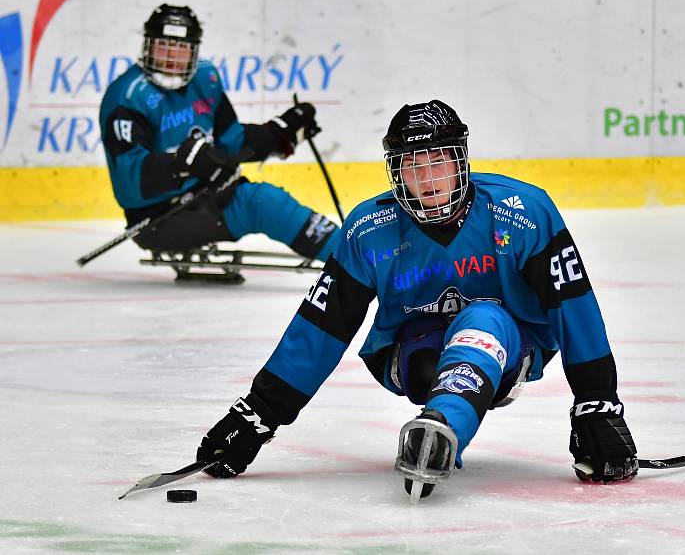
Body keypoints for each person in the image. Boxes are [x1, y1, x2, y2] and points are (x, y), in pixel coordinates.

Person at [195, 100, 638, 499]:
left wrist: (597, 401)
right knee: (437, 353)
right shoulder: (369, 229)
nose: (427, 180)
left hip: (511, 348)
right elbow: (320, 327)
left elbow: (573, 304)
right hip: (413, 356)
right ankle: (437, 431)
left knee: (484, 317)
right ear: (396, 172)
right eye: (412, 167)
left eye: (438, 163)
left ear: (460, 161)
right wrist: (258, 414)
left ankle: (439, 433)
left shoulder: (523, 212)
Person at [99, 4, 339, 260]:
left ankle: (352, 254)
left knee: (262, 200)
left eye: (181, 48)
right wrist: (181, 164)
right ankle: (354, 260)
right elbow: (129, 182)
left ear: (194, 51)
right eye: (163, 46)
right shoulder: (127, 96)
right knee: (262, 202)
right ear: (147, 47)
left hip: (206, 196)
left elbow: (231, 142)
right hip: (159, 217)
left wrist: (280, 133)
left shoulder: (205, 79)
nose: (171, 56)